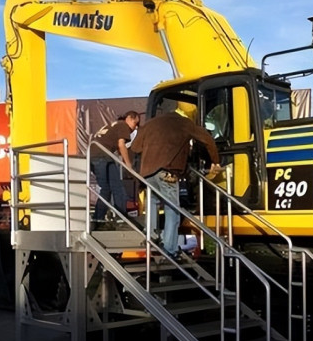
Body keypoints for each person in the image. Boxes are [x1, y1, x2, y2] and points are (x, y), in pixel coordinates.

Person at [130, 103, 221, 256]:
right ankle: (170, 249)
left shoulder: (151, 123)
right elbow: (207, 139)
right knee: (172, 209)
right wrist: (215, 162)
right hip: (168, 171)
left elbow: (135, 147)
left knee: (152, 202)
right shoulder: (184, 123)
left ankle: (151, 236)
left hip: (148, 172)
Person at [89, 111, 140, 228]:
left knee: (117, 186)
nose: (136, 127)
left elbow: (118, 147)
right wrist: (128, 165)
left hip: (100, 155)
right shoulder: (123, 125)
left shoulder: (114, 125)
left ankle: (118, 216)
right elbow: (121, 145)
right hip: (101, 156)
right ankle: (100, 218)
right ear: (129, 118)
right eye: (135, 123)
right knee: (107, 188)